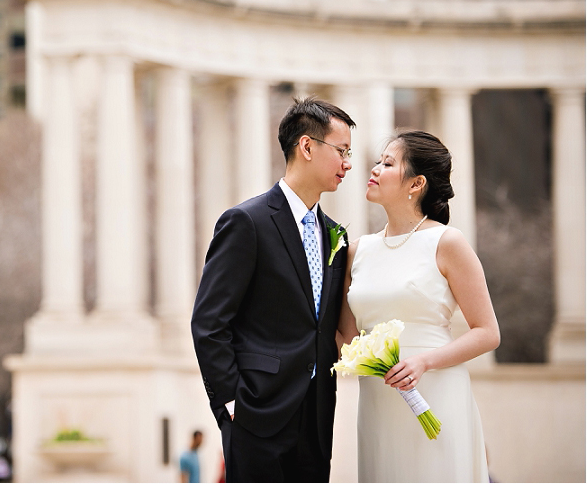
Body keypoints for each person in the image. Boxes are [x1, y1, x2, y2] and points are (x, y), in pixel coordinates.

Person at [192, 96, 356, 482]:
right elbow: (209, 322)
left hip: (316, 417)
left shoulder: (336, 235)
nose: (348, 163)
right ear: (307, 146)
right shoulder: (245, 222)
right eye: (342, 151)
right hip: (256, 414)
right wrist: (231, 403)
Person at [338, 130, 500, 482]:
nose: (375, 168)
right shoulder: (356, 251)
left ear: (417, 184)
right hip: (379, 404)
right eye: (379, 161)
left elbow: (488, 333)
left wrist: (424, 361)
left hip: (438, 392)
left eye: (388, 163)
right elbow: (347, 340)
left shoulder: (447, 242)